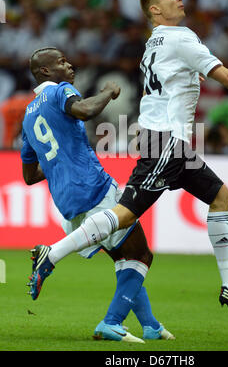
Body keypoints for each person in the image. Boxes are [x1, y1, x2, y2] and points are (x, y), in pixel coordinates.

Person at [30, 0, 228, 311]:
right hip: (166, 141)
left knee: (220, 196)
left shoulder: (152, 44)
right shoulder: (181, 36)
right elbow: (225, 76)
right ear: (154, 10)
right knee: (124, 215)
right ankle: (50, 255)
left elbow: (164, 86)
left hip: (168, 141)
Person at [21, 47, 174, 342]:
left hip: (66, 201)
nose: (69, 65)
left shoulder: (28, 117)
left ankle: (151, 325)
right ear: (45, 72)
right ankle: (110, 321)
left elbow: (29, 176)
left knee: (123, 257)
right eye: (61, 62)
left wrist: (56, 164)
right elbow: (86, 110)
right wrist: (108, 91)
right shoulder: (59, 91)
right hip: (93, 187)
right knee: (141, 256)